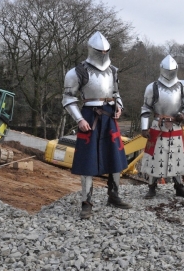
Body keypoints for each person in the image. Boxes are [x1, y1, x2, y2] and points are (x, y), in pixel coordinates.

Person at [62, 31, 132, 219]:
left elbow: (116, 93)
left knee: (115, 157)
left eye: (106, 51)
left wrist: (119, 107)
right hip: (89, 117)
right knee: (88, 160)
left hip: (110, 117)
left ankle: (114, 195)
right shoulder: (77, 72)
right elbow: (68, 98)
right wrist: (79, 119)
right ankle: (86, 202)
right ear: (91, 50)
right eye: (99, 50)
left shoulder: (113, 71)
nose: (103, 53)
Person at [140, 55, 184, 199]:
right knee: (155, 156)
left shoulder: (182, 87)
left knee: (177, 156)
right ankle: (152, 187)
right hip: (158, 126)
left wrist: (183, 114)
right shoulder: (152, 87)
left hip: (176, 126)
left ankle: (179, 186)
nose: (169, 73)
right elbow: (146, 108)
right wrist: (144, 128)